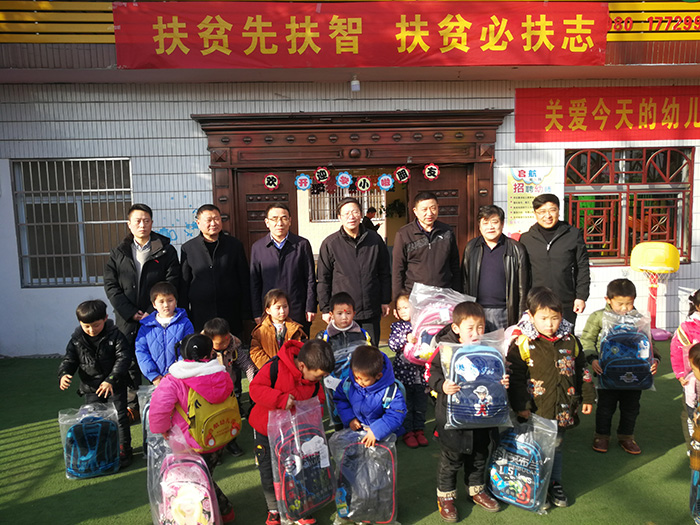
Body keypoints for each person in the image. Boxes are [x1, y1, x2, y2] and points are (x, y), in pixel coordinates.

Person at [507, 287, 595, 508]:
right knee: (536, 448)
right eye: (543, 318)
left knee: (556, 447)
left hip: (563, 408)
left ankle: (554, 482)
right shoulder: (522, 343)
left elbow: (582, 370)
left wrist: (587, 397)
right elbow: (515, 377)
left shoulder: (570, 340)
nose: (549, 324)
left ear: (561, 316)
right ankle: (536, 484)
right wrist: (521, 405)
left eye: (554, 318)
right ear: (531, 316)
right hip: (536, 410)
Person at [148, 334, 236, 523]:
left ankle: (218, 511)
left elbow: (159, 408)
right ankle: (222, 510)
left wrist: (163, 430)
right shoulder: (221, 373)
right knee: (205, 475)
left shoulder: (174, 379)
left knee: (195, 480)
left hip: (190, 440)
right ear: (210, 352)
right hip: (219, 433)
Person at [429, 301, 505, 520]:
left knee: (479, 455)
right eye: (470, 328)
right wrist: (441, 385)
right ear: (456, 328)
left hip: (481, 416)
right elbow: (431, 373)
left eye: (480, 327)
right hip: (453, 418)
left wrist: (502, 382)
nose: (476, 333)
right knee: (451, 460)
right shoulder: (445, 350)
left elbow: (496, 375)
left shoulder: (489, 349)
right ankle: (446, 497)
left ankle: (476, 490)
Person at [248, 339, 335, 525]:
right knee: (268, 471)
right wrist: (280, 399)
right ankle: (274, 508)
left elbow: (318, 399)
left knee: (300, 469)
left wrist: (313, 419)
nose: (318, 380)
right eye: (317, 377)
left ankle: (299, 506)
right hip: (266, 432)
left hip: (296, 434)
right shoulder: (275, 367)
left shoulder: (314, 376)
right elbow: (255, 389)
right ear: (302, 366)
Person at [104, 203, 180, 412]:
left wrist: (152, 311)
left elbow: (172, 281)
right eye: (137, 221)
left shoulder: (166, 250)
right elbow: (111, 285)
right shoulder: (118, 252)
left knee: (161, 356)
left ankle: (164, 400)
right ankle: (132, 405)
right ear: (129, 224)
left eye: (146, 221)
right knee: (128, 359)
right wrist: (129, 311)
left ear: (152, 223)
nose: (142, 225)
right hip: (127, 317)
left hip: (157, 316)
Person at [581, 278, 660, 455]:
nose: (624, 308)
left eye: (629, 303)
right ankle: (602, 435)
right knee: (605, 407)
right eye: (620, 304)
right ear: (608, 299)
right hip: (607, 372)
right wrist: (593, 359)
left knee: (631, 407)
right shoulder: (599, 317)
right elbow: (587, 339)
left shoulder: (639, 318)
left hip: (635, 372)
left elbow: (650, 343)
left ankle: (626, 436)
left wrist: (655, 360)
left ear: (634, 300)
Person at [58, 299, 133, 468]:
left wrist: (111, 379)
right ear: (80, 323)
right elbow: (70, 359)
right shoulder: (76, 340)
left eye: (96, 325)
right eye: (87, 326)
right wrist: (64, 373)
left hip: (114, 385)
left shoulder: (116, 335)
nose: (92, 330)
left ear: (105, 318)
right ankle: (101, 448)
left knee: (120, 417)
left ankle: (124, 449)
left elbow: (123, 358)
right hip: (91, 387)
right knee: (94, 418)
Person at [317, 197, 391, 345]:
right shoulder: (330, 244)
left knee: (370, 351)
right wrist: (325, 309)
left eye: (355, 212)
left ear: (360, 214)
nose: (351, 216)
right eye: (346, 213)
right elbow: (324, 279)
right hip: (342, 312)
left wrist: (385, 300)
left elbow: (384, 272)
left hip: (370, 308)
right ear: (339, 217)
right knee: (344, 352)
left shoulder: (374, 240)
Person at [180, 204, 252, 335]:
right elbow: (184, 284)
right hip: (201, 313)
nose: (213, 223)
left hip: (230, 311)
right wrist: (185, 313)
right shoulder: (189, 248)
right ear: (198, 223)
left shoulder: (234, 245)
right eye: (208, 220)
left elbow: (244, 279)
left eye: (217, 219)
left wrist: (246, 312)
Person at [519, 194, 590, 325]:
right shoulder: (526, 239)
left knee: (566, 336)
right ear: (535, 213)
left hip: (565, 302)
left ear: (558, 211)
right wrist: (524, 303)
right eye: (542, 211)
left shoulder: (573, 235)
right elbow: (523, 273)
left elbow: (582, 266)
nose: (547, 216)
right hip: (537, 302)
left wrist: (581, 296)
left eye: (552, 210)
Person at [250, 203, 317, 335]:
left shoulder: (302, 245)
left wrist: (310, 306)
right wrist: (257, 312)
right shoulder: (258, 248)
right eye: (274, 219)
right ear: (267, 222)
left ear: (290, 221)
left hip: (297, 308)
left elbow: (310, 278)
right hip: (269, 311)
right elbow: (254, 283)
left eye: (284, 218)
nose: (279, 223)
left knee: (298, 344)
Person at [462, 205, 530, 331]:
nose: (490, 227)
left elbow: (523, 288)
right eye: (485, 223)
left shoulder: (516, 248)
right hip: (477, 311)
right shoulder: (471, 247)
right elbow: (465, 281)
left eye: (494, 222)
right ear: (479, 226)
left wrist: (522, 317)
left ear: (502, 224)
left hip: (505, 312)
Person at [202, 317, 257, 456]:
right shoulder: (203, 352)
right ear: (209, 340)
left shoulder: (233, 347)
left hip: (229, 391)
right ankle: (214, 448)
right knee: (213, 421)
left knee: (231, 418)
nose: (225, 344)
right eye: (220, 343)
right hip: (210, 394)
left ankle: (231, 442)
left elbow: (246, 364)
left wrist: (253, 382)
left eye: (226, 340)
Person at [392, 191, 460, 301]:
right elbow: (398, 270)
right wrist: (398, 300)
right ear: (415, 211)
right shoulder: (404, 234)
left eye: (433, 208)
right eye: (424, 209)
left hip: (443, 295)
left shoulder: (447, 231)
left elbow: (454, 265)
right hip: (415, 297)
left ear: (438, 208)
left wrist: (457, 295)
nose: (429, 213)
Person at [334, 345, 406, 448]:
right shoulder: (348, 384)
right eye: (356, 377)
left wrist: (376, 431)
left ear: (378, 376)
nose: (359, 382)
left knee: (379, 457)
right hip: (356, 431)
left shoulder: (390, 391)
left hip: (382, 435)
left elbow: (396, 414)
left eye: (365, 380)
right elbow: (341, 400)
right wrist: (350, 418)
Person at [389, 291, 430, 448]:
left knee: (420, 404)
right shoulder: (397, 327)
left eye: (406, 307)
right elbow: (393, 344)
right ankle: (407, 432)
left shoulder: (423, 325)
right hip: (403, 375)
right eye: (400, 308)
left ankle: (419, 430)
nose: (403, 311)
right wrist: (405, 338)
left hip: (421, 375)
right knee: (406, 403)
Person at [134, 281, 194, 386]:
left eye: (170, 300)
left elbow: (188, 349)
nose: (166, 305)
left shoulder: (185, 324)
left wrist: (176, 372)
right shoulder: (146, 327)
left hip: (179, 379)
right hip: (155, 381)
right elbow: (141, 351)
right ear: (154, 304)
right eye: (161, 302)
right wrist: (154, 376)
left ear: (176, 301)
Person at [670, 289, 700, 450]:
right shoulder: (687, 328)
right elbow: (676, 351)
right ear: (697, 306)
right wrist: (681, 374)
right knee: (691, 413)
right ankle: (693, 444)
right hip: (693, 379)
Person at [250, 288, 307, 370]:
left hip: (290, 370)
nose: (282, 311)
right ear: (268, 310)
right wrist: (272, 366)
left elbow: (300, 350)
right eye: (278, 308)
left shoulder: (295, 329)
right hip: (269, 371)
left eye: (285, 307)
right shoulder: (260, 331)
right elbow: (255, 352)